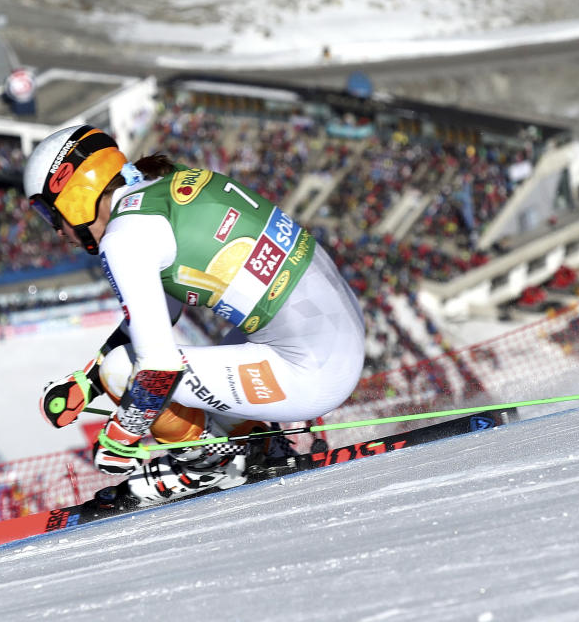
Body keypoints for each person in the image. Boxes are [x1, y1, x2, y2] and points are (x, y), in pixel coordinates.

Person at [24, 124, 365, 505]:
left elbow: (159, 367)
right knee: (156, 378)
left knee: (121, 370)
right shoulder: (163, 191)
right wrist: (88, 384)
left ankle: (207, 465)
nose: (57, 231)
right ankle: (253, 443)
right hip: (337, 332)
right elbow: (161, 314)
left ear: (74, 196)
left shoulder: (123, 238)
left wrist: (119, 441)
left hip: (316, 372)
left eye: (49, 214)